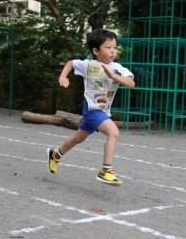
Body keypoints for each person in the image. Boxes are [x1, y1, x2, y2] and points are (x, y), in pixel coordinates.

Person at [47, 29, 135, 186]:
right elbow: (71, 63)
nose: (113, 50)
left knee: (78, 138)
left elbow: (131, 83)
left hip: (103, 110)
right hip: (92, 108)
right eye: (108, 47)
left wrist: (114, 76)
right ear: (96, 50)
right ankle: (106, 170)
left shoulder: (118, 68)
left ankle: (56, 154)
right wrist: (62, 76)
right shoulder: (89, 65)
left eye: (115, 47)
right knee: (114, 133)